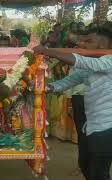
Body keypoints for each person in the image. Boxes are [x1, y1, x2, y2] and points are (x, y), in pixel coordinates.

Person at [34, 26, 112, 180]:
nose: (83, 45)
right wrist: (44, 87)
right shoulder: (90, 65)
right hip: (92, 126)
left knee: (98, 172)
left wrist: (48, 51)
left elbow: (81, 61)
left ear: (103, 44)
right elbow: (68, 81)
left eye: (89, 41)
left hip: (107, 126)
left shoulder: (108, 61)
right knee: (84, 163)